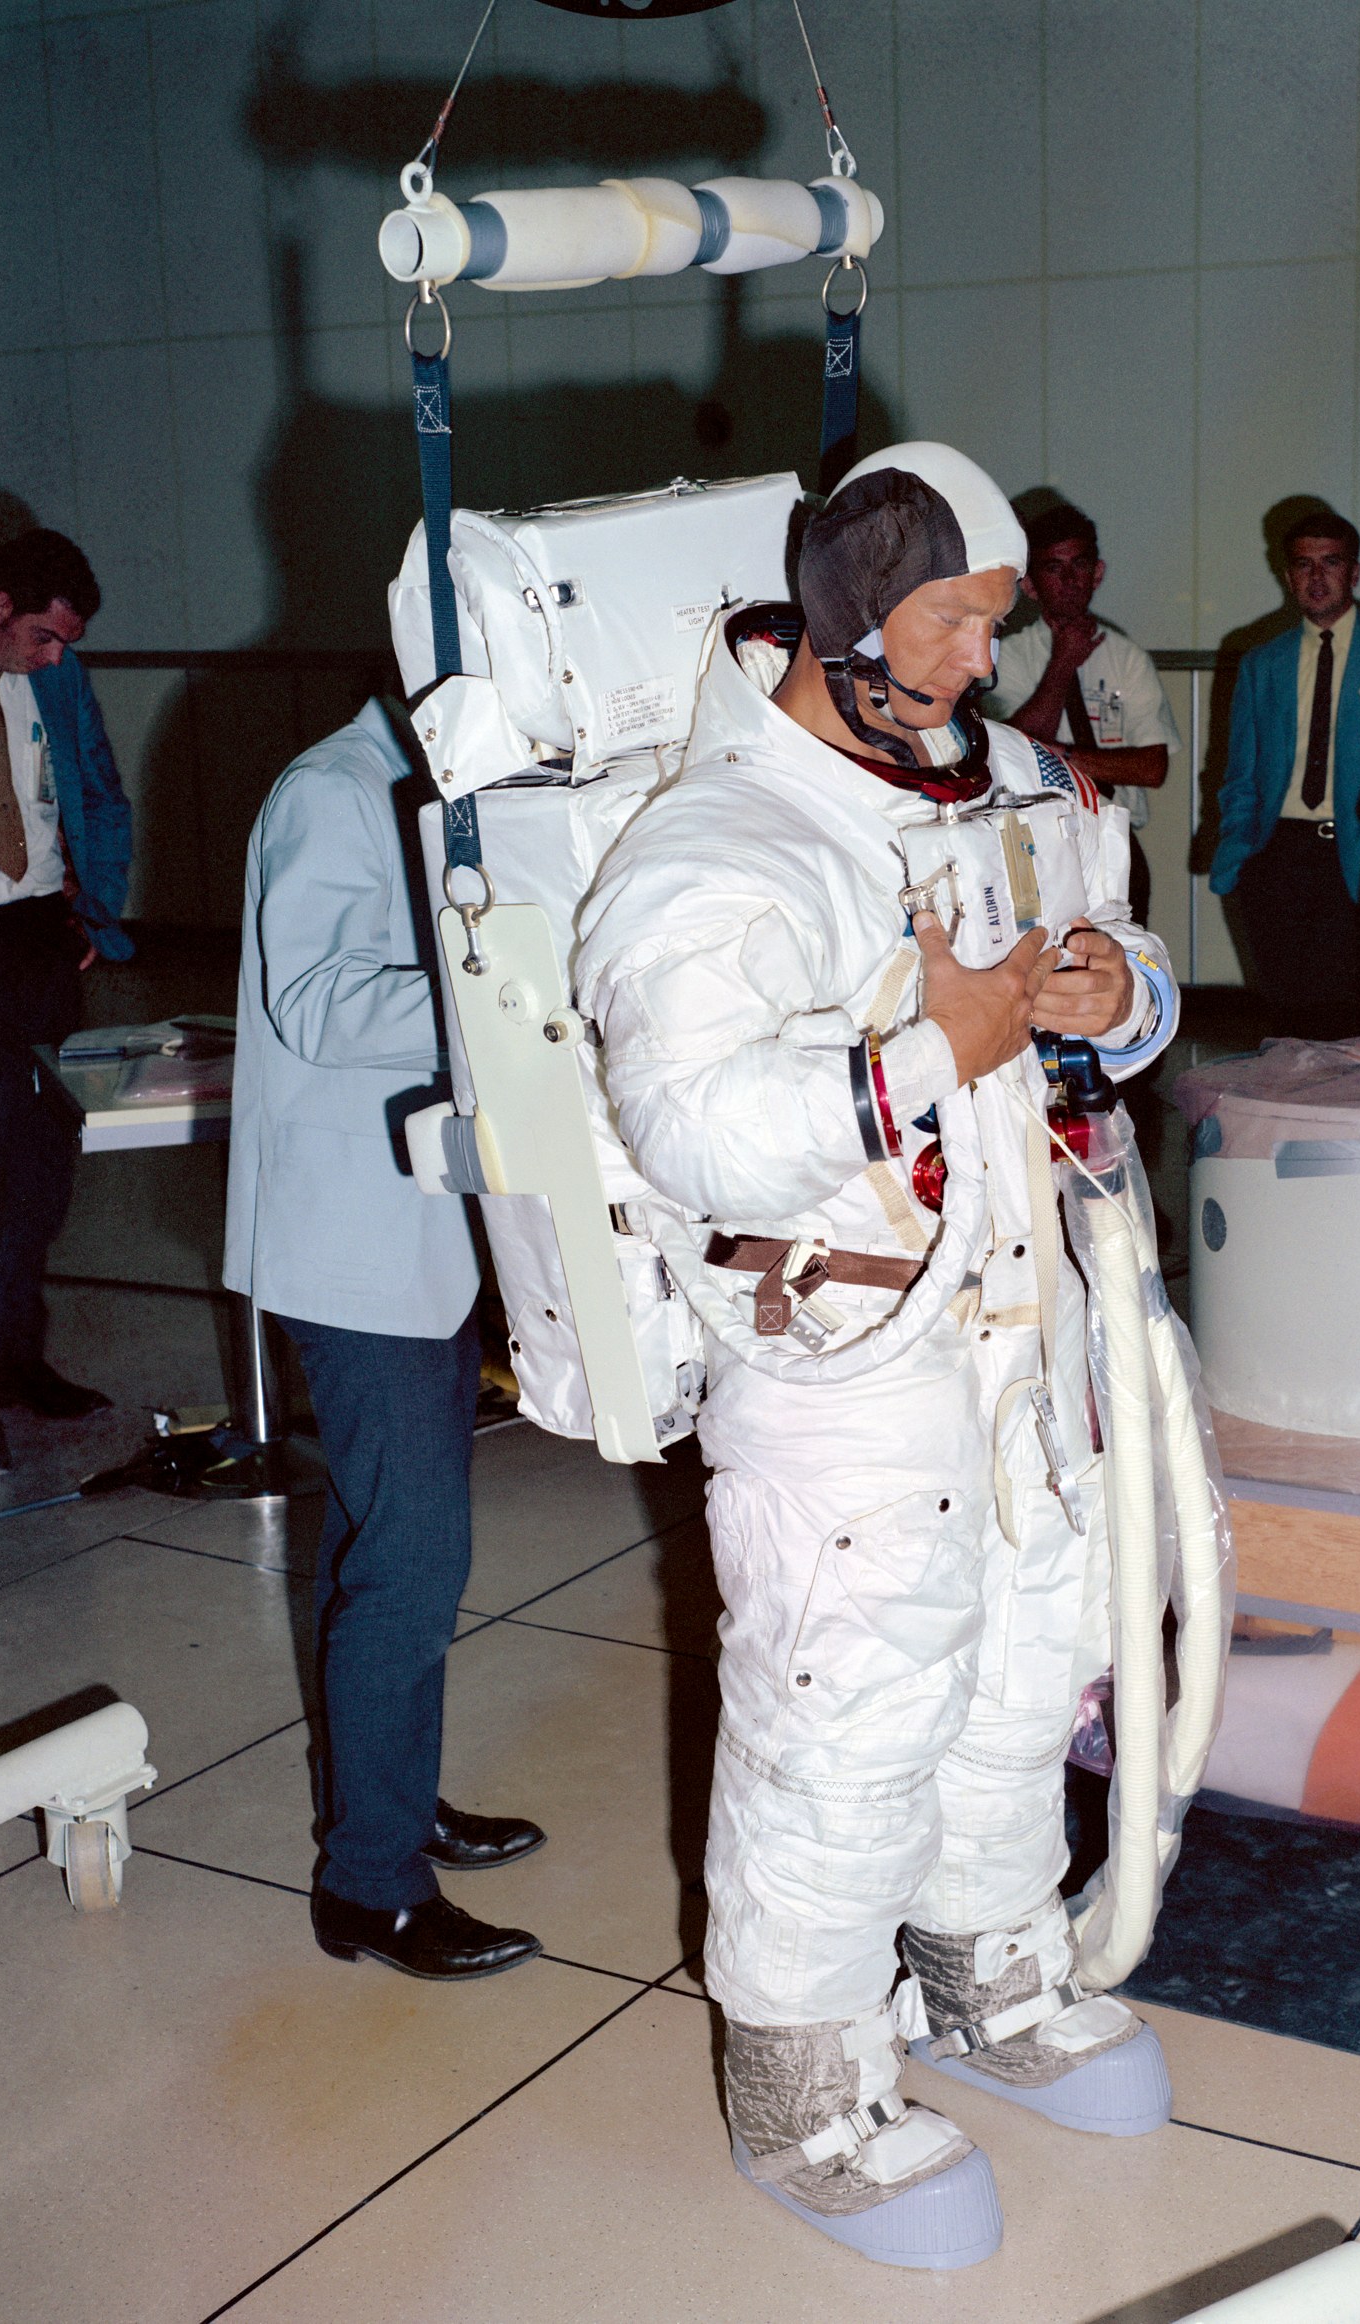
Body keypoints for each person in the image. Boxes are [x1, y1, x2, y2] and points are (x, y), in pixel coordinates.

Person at [577, 444, 1182, 2270]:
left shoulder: (1015, 788)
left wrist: (1116, 996)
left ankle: (989, 1973)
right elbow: (693, 1127)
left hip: (1023, 1326)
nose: (988, 661)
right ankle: (804, 2088)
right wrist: (936, 1049)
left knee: (1027, 1660)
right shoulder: (714, 845)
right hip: (837, 1351)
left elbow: (1127, 954)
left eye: (994, 625)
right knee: (848, 1709)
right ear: (846, 619)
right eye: (954, 624)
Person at [225, 698, 545, 1980]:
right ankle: (371, 1881)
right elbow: (316, 1002)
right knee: (413, 1560)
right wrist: (507, 989)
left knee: (379, 1544)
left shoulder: (434, 785)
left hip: (417, 1227)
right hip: (352, 1245)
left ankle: (388, 1799)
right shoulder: (333, 789)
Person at [0, 529, 133, 1446]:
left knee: (40, 1168)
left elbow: (98, 789)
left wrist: (95, 910)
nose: (56, 658)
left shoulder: (54, 680)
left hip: (38, 933)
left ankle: (19, 1359)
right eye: (45, 637)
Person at [1209, 510, 1360, 1038]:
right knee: (1290, 1024)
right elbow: (1240, 773)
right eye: (1303, 564)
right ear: (1287, 575)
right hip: (1279, 858)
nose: (1316, 577)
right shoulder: (1262, 662)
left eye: (1330, 562)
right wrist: (1240, 856)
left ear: (1354, 572)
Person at [983, 500, 1181, 923]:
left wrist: (1063, 758)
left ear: (1098, 573)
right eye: (1054, 568)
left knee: (1124, 954)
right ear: (1030, 585)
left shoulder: (1126, 656)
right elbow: (1012, 754)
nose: (1070, 581)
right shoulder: (1006, 658)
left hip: (1114, 837)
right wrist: (1063, 663)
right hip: (1034, 841)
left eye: (1080, 565)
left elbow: (1152, 767)